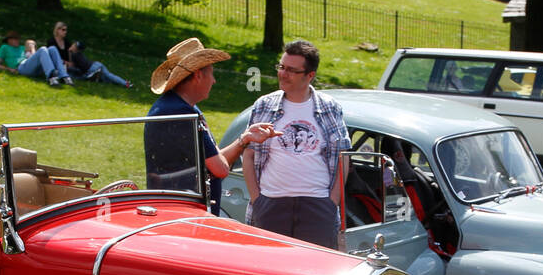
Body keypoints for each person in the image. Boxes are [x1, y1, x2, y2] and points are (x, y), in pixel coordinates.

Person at [145, 37, 278, 215]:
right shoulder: (183, 114)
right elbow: (220, 168)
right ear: (198, 75)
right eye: (212, 73)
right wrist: (242, 142)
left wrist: (245, 138)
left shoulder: (178, 107)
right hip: (184, 213)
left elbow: (214, 160)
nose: (214, 81)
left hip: (176, 208)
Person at [242, 39, 350, 249]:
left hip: (317, 206)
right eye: (281, 67)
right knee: (269, 273)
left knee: (316, 274)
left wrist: (332, 202)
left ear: (310, 75)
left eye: (291, 70)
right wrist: (258, 200)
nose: (283, 74)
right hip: (271, 203)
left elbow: (342, 158)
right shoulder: (264, 105)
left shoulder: (330, 107)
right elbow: (248, 154)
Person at [68, 40, 132, 88]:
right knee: (108, 76)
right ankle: (124, 83)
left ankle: (125, 83)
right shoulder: (79, 54)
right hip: (97, 64)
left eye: (74, 45)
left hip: (93, 69)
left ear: (76, 49)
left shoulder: (74, 55)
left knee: (76, 76)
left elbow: (72, 66)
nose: (72, 45)